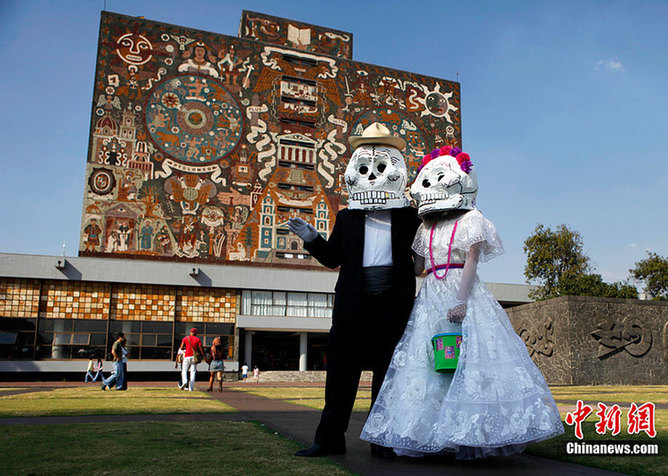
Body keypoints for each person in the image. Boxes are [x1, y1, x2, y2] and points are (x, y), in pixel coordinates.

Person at [360, 146, 564, 458]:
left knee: (469, 360)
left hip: (460, 289)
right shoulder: (425, 227)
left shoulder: (472, 219)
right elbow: (417, 267)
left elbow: (472, 261)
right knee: (432, 363)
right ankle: (433, 432)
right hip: (431, 292)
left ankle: (472, 433)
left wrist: (461, 300)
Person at [289, 123, 420, 458]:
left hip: (393, 302)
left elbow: (423, 252)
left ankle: (382, 441)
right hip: (352, 303)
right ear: (353, 173)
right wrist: (312, 239)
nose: (372, 177)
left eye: (379, 169)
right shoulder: (347, 218)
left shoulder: (408, 217)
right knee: (341, 374)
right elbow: (333, 258)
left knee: (387, 374)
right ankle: (328, 439)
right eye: (364, 170)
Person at [179, 327, 207, 392]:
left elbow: (181, 347)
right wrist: (204, 356)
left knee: (184, 370)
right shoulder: (198, 339)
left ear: (190, 332)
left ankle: (185, 381)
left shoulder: (185, 338)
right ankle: (191, 387)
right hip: (194, 357)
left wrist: (186, 347)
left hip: (187, 356)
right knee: (193, 372)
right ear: (196, 333)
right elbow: (201, 348)